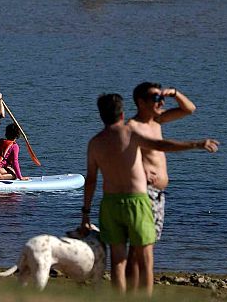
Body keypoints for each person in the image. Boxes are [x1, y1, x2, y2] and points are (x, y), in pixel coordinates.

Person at [80, 93, 218, 296]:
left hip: (109, 203)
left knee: (118, 261)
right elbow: (161, 145)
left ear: (101, 115)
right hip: (136, 202)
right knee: (146, 258)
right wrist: (195, 144)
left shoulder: (94, 143)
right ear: (122, 113)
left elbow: (91, 180)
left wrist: (86, 212)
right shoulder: (130, 133)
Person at [125, 82, 196, 288]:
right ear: (141, 102)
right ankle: (131, 294)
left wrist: (174, 92)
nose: (161, 102)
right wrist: (140, 170)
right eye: (156, 98)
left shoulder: (157, 121)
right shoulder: (132, 126)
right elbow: (124, 154)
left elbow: (189, 109)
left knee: (146, 246)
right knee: (139, 248)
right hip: (143, 192)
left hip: (158, 194)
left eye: (162, 98)